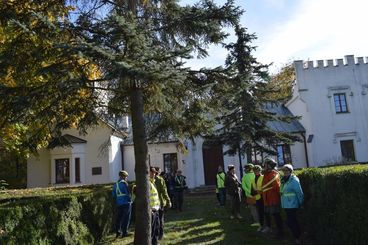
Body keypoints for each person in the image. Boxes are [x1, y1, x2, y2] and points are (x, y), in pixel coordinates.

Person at [280, 164, 304, 245]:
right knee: (291, 222)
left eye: (287, 171)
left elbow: (299, 193)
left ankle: (298, 238)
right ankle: (296, 237)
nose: (285, 172)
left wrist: (301, 203)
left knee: (292, 222)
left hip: (293, 204)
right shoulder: (283, 179)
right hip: (286, 204)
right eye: (284, 171)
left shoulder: (294, 180)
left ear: (290, 171)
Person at [260, 158, 284, 238]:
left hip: (273, 199)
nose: (264, 166)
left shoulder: (273, 174)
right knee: (269, 214)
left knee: (276, 215)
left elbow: (277, 187)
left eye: (266, 164)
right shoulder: (267, 173)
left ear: (270, 165)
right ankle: (271, 229)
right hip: (267, 198)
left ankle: (280, 232)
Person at [112, 170, 132, 238]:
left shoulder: (115, 184)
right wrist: (130, 200)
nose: (126, 178)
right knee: (126, 218)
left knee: (119, 218)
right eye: (126, 177)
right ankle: (125, 232)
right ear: (124, 177)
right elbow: (128, 193)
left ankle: (118, 232)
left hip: (119, 203)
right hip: (126, 203)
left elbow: (114, 195)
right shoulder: (124, 183)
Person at [154, 166, 172, 240]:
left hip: (153, 203)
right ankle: (161, 235)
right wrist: (168, 201)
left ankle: (155, 234)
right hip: (160, 202)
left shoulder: (150, 180)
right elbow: (164, 192)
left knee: (155, 220)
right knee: (160, 219)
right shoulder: (160, 179)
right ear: (158, 172)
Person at [149, 167, 162, 245]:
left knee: (156, 229)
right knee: (152, 230)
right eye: (152, 172)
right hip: (151, 210)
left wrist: (159, 205)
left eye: (154, 173)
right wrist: (149, 209)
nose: (154, 174)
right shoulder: (148, 183)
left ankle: (155, 243)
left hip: (156, 209)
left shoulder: (153, 182)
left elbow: (155, 196)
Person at [253, 165, 265, 232]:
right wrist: (254, 193)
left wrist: (260, 191)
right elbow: (253, 189)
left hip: (263, 197)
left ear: (260, 171)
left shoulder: (263, 177)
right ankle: (261, 225)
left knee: (265, 212)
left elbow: (266, 187)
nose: (256, 172)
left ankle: (266, 226)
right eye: (255, 171)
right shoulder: (253, 179)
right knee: (260, 212)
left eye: (257, 171)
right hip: (257, 198)